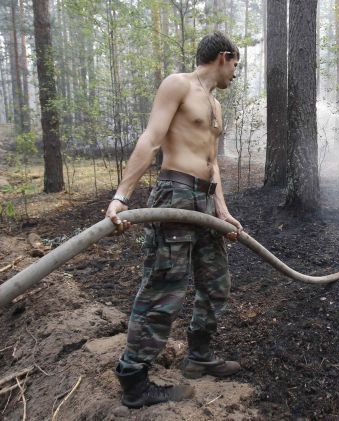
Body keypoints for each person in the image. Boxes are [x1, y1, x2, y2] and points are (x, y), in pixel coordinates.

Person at [105, 32, 242, 409]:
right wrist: (121, 197)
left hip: (204, 202)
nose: (235, 74)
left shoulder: (215, 105)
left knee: (216, 283)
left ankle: (199, 356)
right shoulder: (177, 85)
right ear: (223, 57)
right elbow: (151, 139)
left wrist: (223, 212)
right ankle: (134, 380)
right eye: (236, 66)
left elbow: (212, 166)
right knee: (164, 288)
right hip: (174, 196)